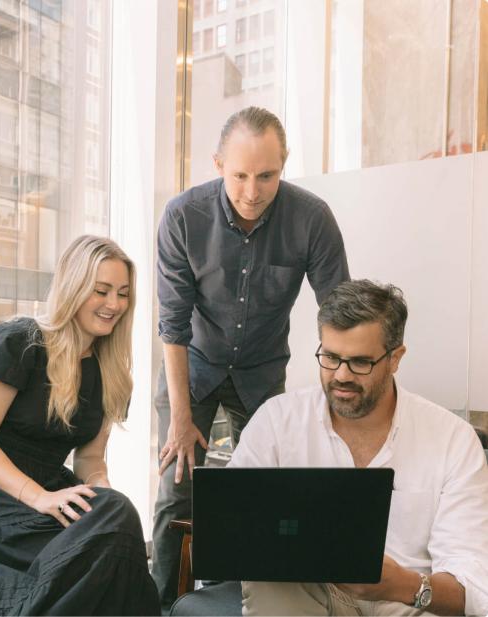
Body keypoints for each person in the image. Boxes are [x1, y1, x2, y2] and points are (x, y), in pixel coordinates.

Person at [152, 106, 350, 605]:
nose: (252, 191)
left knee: (262, 494)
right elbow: (172, 327)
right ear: (219, 164)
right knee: (179, 491)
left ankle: (243, 600)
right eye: (239, 175)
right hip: (191, 369)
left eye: (267, 175)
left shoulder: (311, 218)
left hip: (261, 373)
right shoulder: (182, 216)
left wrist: (341, 394)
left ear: (284, 165)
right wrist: (180, 419)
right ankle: (159, 605)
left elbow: (342, 315)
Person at [229, 279, 488, 616]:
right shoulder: (277, 421)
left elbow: (472, 591)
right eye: (330, 357)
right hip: (307, 597)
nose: (341, 375)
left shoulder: (453, 440)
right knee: (270, 584)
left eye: (360, 362)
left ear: (396, 358)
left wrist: (402, 585)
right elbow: (232, 526)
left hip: (405, 604)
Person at [0, 235, 160, 616]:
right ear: (73, 288)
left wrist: (98, 492)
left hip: (49, 494)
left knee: (113, 517)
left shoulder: (113, 372)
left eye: (123, 294)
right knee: (111, 548)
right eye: (101, 290)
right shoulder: (20, 341)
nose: (114, 304)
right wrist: (38, 497)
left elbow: (89, 459)